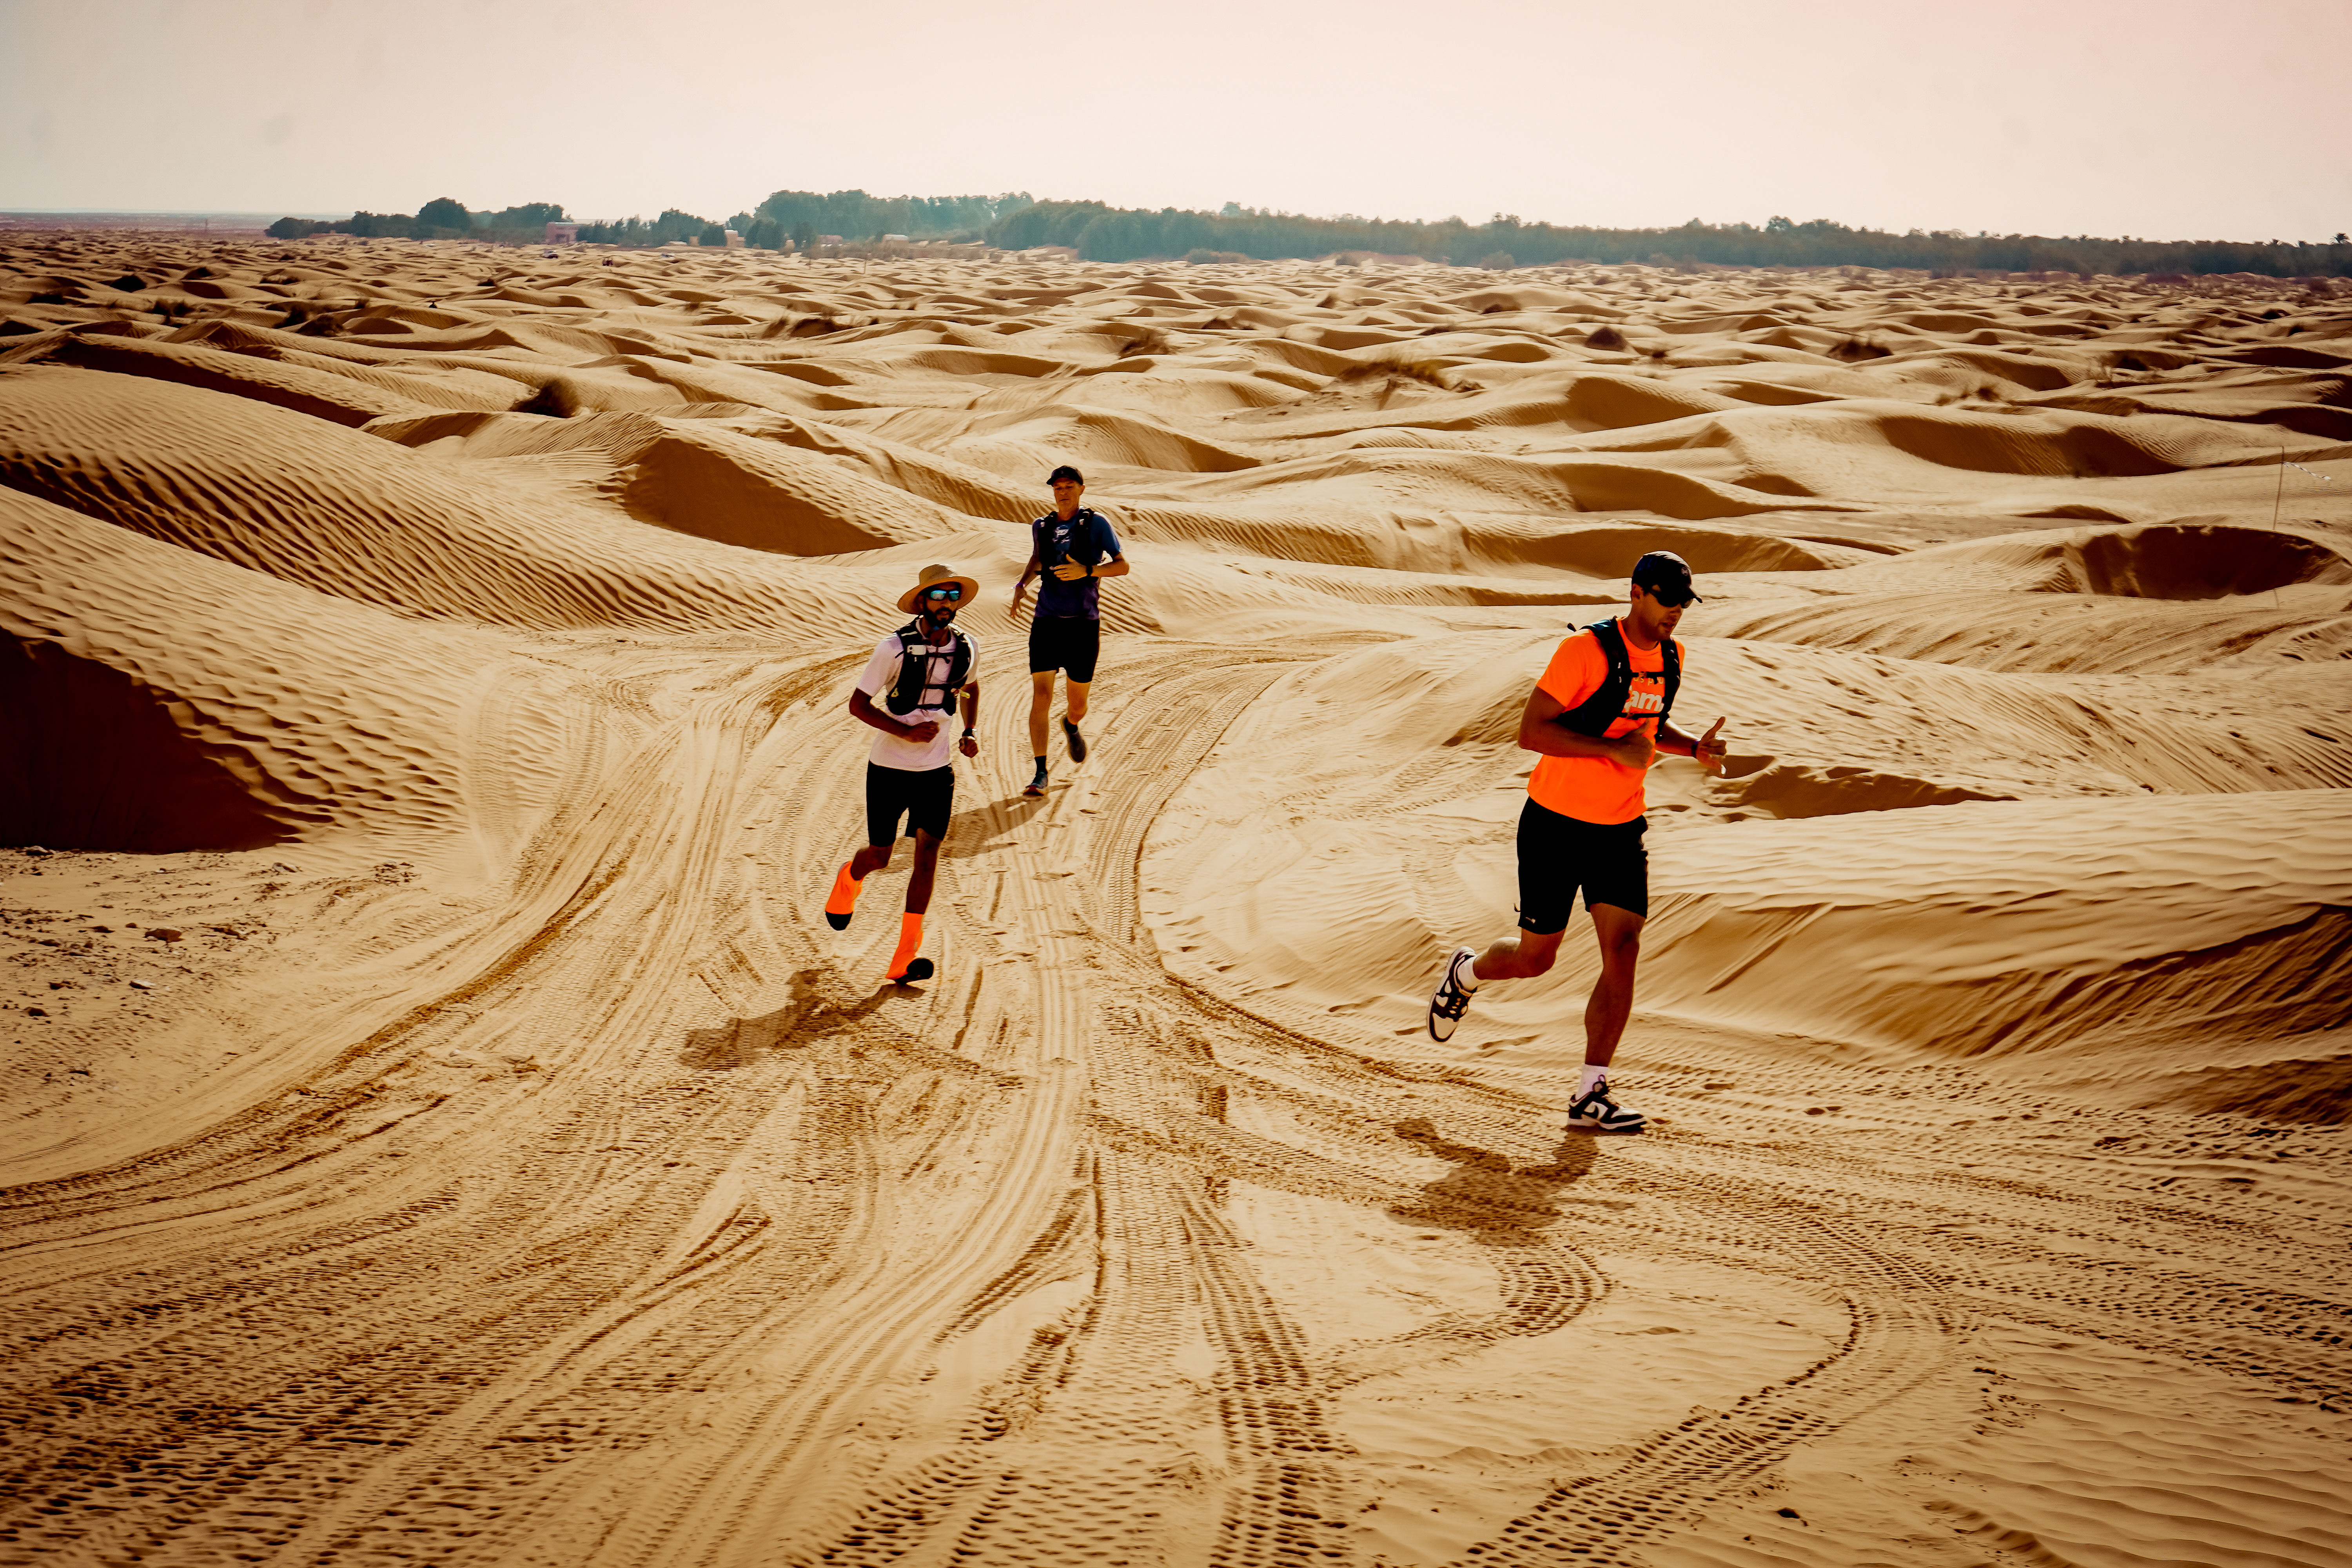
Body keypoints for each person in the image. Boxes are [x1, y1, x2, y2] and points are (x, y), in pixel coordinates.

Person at [1425, 550, 1729, 1134]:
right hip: (1555, 826)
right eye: (1668, 602)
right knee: (1536, 959)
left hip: (1620, 828)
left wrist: (1694, 748)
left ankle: (1591, 1093)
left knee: (1625, 948)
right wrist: (1613, 752)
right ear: (1637, 592)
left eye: (1683, 606)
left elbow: (1646, 727)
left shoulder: (1671, 657)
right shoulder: (1583, 652)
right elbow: (1532, 731)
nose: (1675, 616)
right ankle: (1465, 973)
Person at [822, 564, 981, 983]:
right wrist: (904, 732)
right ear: (922, 602)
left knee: (927, 857)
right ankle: (848, 880)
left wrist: (970, 730)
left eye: (953, 596)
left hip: (937, 771)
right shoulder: (892, 647)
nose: (947, 604)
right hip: (889, 770)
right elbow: (858, 705)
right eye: (939, 596)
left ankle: (904, 958)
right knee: (881, 855)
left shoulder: (967, 647)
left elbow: (971, 687)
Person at [1010, 465, 1128, 797]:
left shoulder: (1096, 524)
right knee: (1041, 697)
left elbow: (1122, 565)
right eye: (1057, 487)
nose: (1063, 492)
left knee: (1078, 705)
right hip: (1046, 622)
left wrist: (1087, 570)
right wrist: (1022, 584)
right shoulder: (1042, 526)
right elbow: (1038, 559)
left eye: (1069, 486)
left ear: (1081, 489)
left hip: (1083, 625)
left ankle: (1072, 725)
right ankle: (1040, 772)